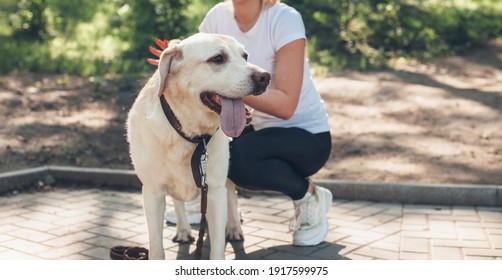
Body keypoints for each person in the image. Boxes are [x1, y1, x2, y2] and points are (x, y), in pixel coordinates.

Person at [149, 0, 332, 246]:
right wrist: (178, 67)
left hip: (304, 136)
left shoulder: (284, 19)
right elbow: (201, 67)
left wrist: (232, 82)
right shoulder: (217, 15)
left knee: (236, 158)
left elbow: (286, 106)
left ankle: (309, 196)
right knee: (199, 138)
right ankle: (205, 201)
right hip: (253, 128)